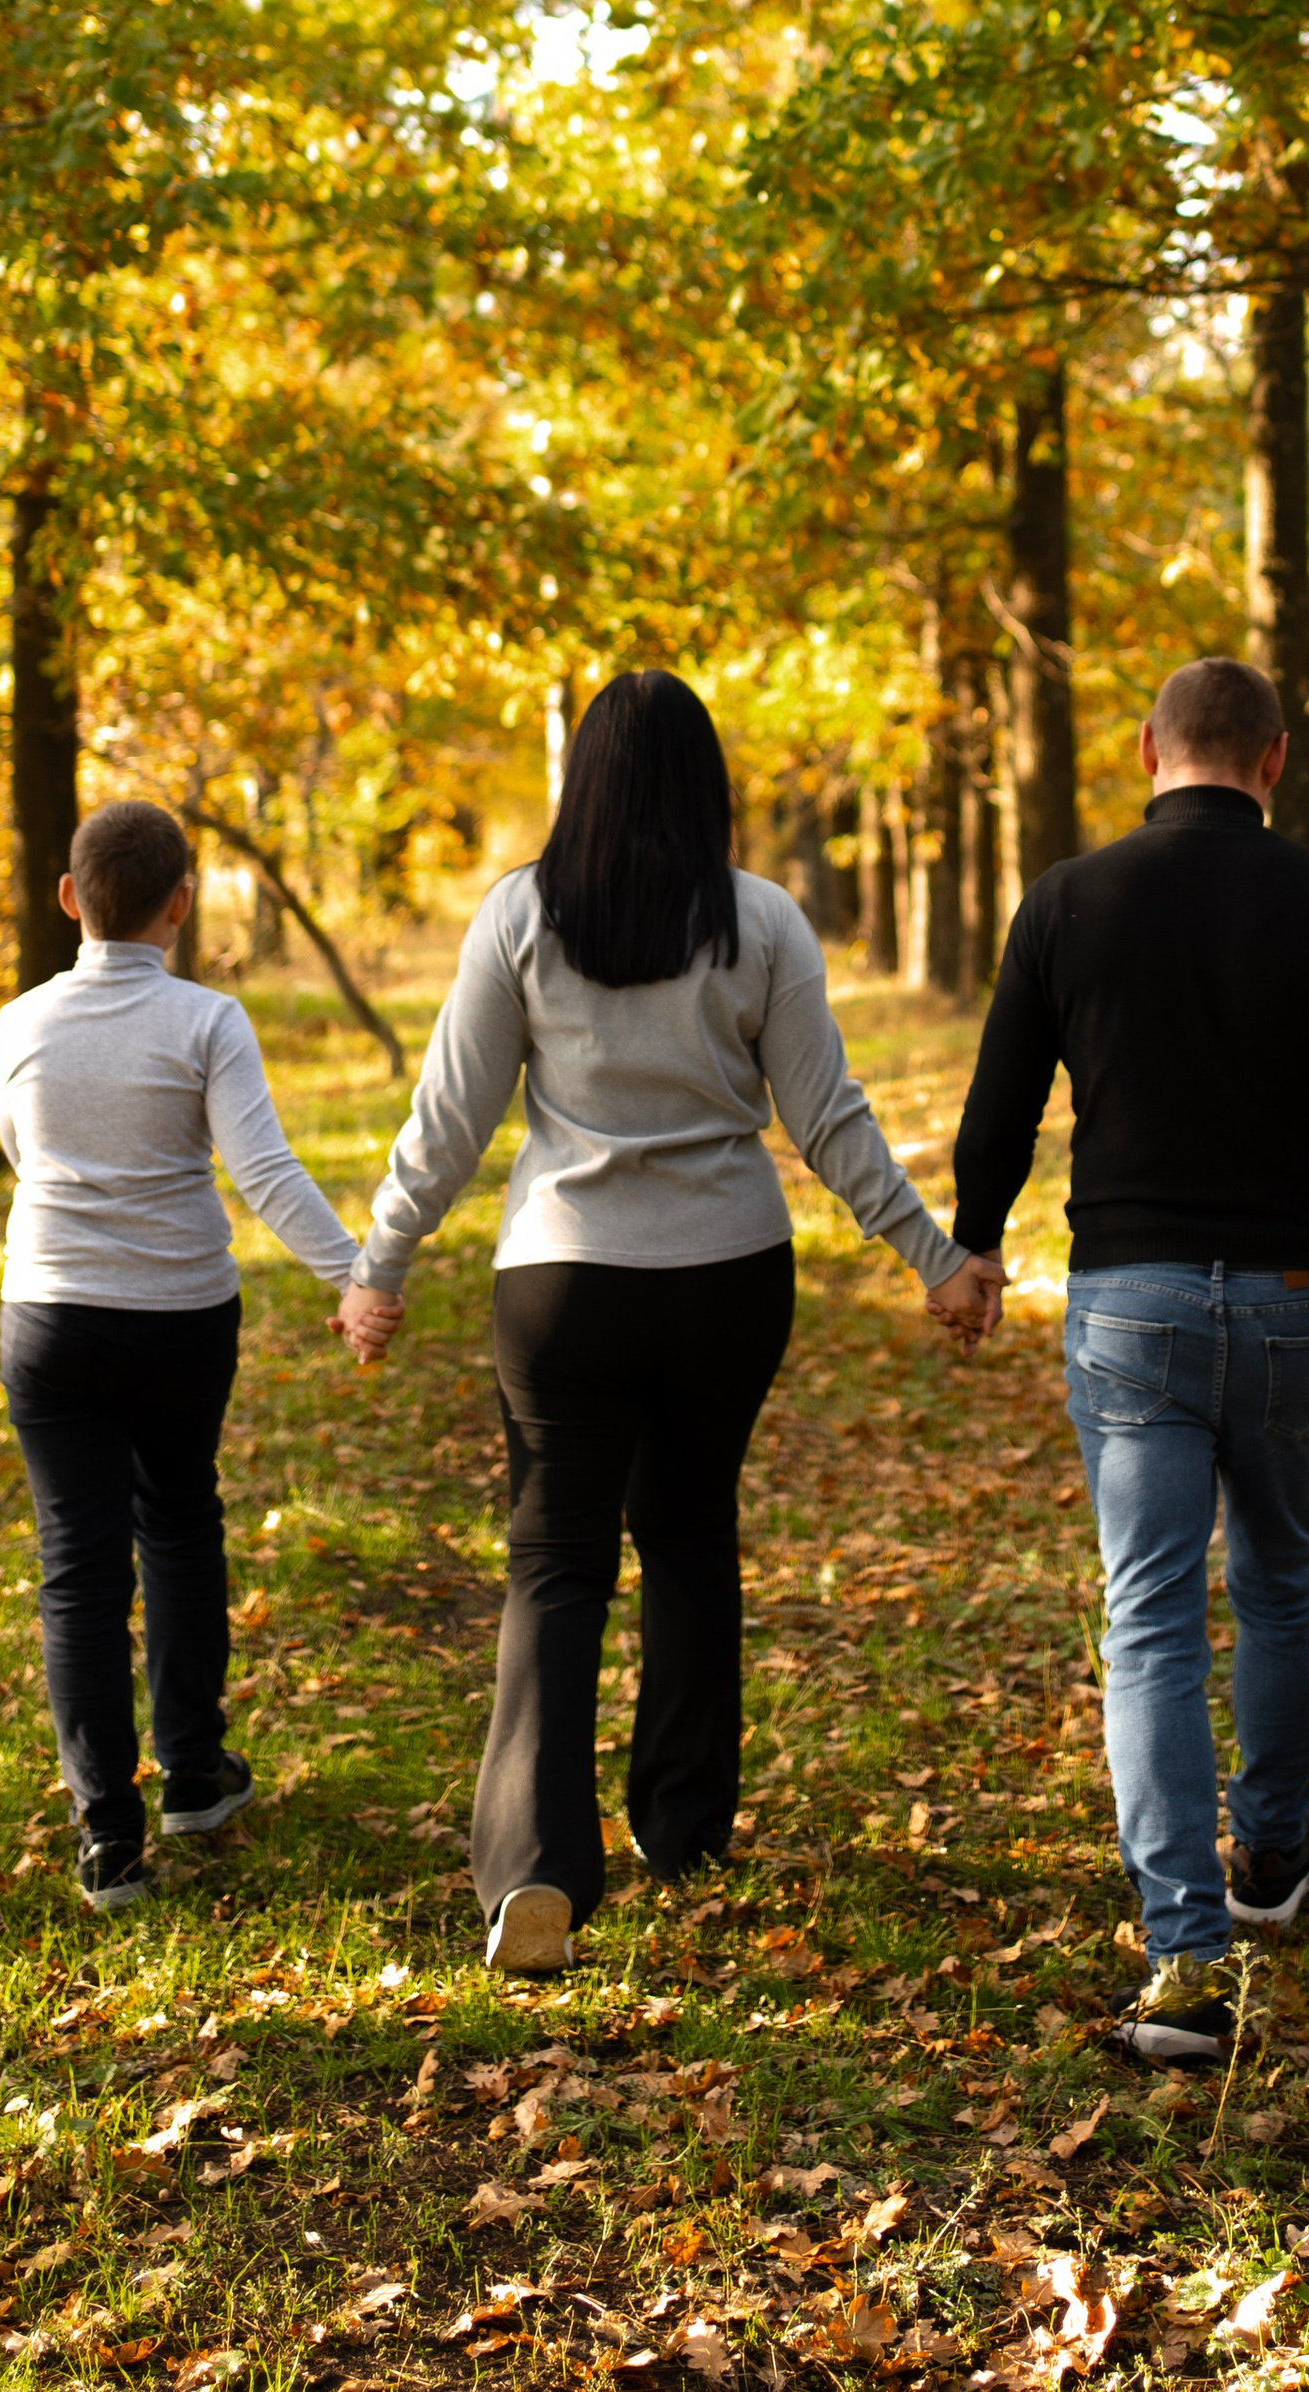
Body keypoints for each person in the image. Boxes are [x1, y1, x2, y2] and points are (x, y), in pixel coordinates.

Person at [336, 670, 988, 1976]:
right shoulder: (758, 924)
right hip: (724, 1278)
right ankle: (682, 1832)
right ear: (707, 787)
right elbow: (825, 1115)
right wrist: (935, 1255)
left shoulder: (521, 915)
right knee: (690, 1539)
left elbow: (448, 1117)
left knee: (554, 1564)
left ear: (583, 781)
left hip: (563, 1287)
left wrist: (378, 1267)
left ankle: (533, 1867)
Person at [948, 655, 1309, 2065]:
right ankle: (1270, 1859)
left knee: (1148, 1613)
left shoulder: (1067, 902)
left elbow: (1003, 1104)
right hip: (1293, 1294)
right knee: (1280, 1574)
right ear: (1275, 761)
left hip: (1131, 1301)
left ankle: (1189, 1959)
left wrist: (973, 1246)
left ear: (1148, 748)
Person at [0, 798, 368, 1912]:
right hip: (178, 1319)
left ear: (69, 898)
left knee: (79, 1565)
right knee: (179, 1524)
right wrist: (351, 1276)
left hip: (51, 1318)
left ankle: (107, 1830)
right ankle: (195, 1776)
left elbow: (25, 1151)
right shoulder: (209, 1022)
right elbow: (261, 1172)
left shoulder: (17, 1024)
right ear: (181, 902)